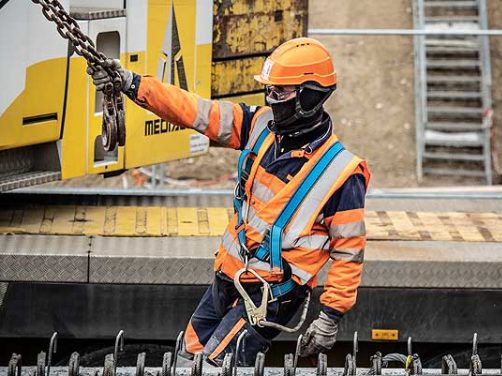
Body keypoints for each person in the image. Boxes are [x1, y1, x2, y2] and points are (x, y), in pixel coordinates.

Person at [88, 37, 370, 365]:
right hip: (229, 277)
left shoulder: (341, 172)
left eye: (280, 92)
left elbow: (349, 252)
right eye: (270, 91)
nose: (271, 99)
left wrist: (329, 317)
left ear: (309, 96)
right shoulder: (258, 125)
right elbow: (194, 111)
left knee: (214, 367)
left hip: (271, 295)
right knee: (186, 358)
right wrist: (133, 84)